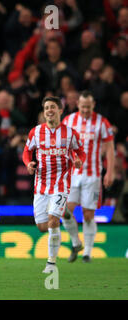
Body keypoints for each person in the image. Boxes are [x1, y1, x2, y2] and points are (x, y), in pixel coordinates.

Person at [23, 96, 86, 274]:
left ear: (60, 110)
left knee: (53, 221)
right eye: (46, 108)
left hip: (61, 183)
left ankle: (51, 263)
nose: (49, 110)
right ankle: (63, 211)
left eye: (52, 107)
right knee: (42, 226)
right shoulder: (35, 132)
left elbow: (80, 152)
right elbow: (27, 152)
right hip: (41, 185)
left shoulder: (70, 133)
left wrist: (79, 160)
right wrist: (28, 164)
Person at [61, 91, 115, 263]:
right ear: (78, 104)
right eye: (82, 106)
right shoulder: (68, 121)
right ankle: (76, 243)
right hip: (72, 175)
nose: (85, 110)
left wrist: (110, 171)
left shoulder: (102, 122)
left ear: (93, 105)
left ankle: (88, 253)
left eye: (88, 106)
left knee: (88, 214)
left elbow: (110, 148)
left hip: (92, 175)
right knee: (65, 210)